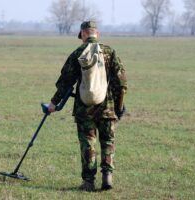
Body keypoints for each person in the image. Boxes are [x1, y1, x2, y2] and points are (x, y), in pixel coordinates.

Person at [48, 21, 127, 192]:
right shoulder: (109, 52)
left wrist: (53, 103)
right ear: (96, 34)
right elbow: (121, 84)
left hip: (84, 109)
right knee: (107, 141)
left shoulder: (78, 53)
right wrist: (119, 107)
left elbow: (65, 82)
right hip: (108, 108)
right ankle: (107, 176)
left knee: (88, 144)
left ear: (83, 34)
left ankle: (89, 182)